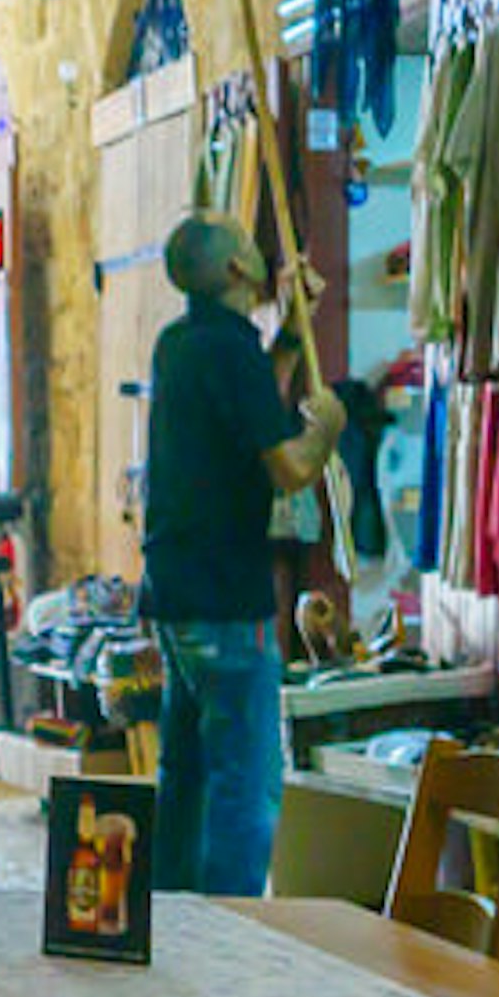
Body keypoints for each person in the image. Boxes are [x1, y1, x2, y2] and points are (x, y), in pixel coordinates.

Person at [143, 210, 342, 896]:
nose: (261, 252)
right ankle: (230, 935)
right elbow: (287, 467)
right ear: (236, 270)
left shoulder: (183, 345)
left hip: (175, 592)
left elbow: (253, 394)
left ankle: (172, 921)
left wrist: (289, 332)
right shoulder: (228, 352)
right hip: (227, 596)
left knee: (188, 777)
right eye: (249, 248)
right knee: (246, 791)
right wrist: (327, 433)